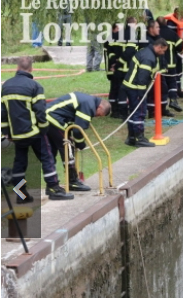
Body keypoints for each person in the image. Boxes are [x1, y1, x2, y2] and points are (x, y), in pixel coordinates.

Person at [1, 57, 73, 201]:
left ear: (17, 68)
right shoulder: (35, 86)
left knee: (19, 164)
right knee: (47, 158)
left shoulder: (6, 86)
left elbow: (3, 113)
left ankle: (21, 195)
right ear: (31, 69)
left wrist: (6, 132)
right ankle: (54, 188)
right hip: (34, 132)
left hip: (17, 135)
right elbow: (40, 111)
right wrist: (44, 129)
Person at [45, 93, 111, 191]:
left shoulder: (87, 100)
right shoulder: (89, 105)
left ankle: (52, 186)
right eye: (98, 114)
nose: (96, 116)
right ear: (100, 107)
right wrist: (80, 144)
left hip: (47, 117)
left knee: (50, 154)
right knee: (68, 148)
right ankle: (72, 182)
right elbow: (77, 130)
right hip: (53, 119)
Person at [121, 37, 168, 147]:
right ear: (159, 47)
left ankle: (131, 138)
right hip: (136, 88)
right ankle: (139, 138)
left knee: (133, 112)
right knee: (140, 112)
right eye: (163, 50)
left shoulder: (146, 52)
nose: (163, 53)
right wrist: (141, 94)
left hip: (130, 86)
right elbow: (142, 77)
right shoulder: (149, 58)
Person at [141, 20, 173, 118]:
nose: (159, 29)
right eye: (157, 27)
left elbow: (162, 55)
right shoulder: (146, 41)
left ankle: (162, 109)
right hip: (151, 73)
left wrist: (165, 66)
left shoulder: (159, 39)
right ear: (151, 29)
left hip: (160, 71)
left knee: (163, 90)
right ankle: (152, 111)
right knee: (152, 93)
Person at [113, 17, 140, 119]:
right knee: (130, 91)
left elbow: (115, 49)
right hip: (127, 69)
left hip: (119, 70)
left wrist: (116, 64)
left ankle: (121, 112)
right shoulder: (132, 35)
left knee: (121, 92)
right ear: (133, 24)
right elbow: (129, 52)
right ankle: (127, 113)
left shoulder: (120, 34)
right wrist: (120, 63)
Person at [158, 17, 183, 112]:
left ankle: (162, 106)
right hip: (171, 63)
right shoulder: (172, 33)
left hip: (160, 65)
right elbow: (180, 45)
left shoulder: (156, 34)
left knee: (161, 85)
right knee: (172, 82)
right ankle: (173, 100)